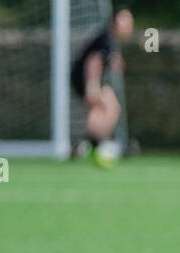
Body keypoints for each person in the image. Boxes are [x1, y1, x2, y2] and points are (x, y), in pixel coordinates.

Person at [70, 8, 135, 166]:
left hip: (81, 78)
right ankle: (92, 144)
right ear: (117, 23)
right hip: (85, 79)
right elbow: (93, 62)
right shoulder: (107, 39)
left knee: (99, 110)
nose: (129, 26)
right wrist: (92, 86)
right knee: (110, 107)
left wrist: (114, 60)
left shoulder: (108, 39)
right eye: (126, 22)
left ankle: (84, 145)